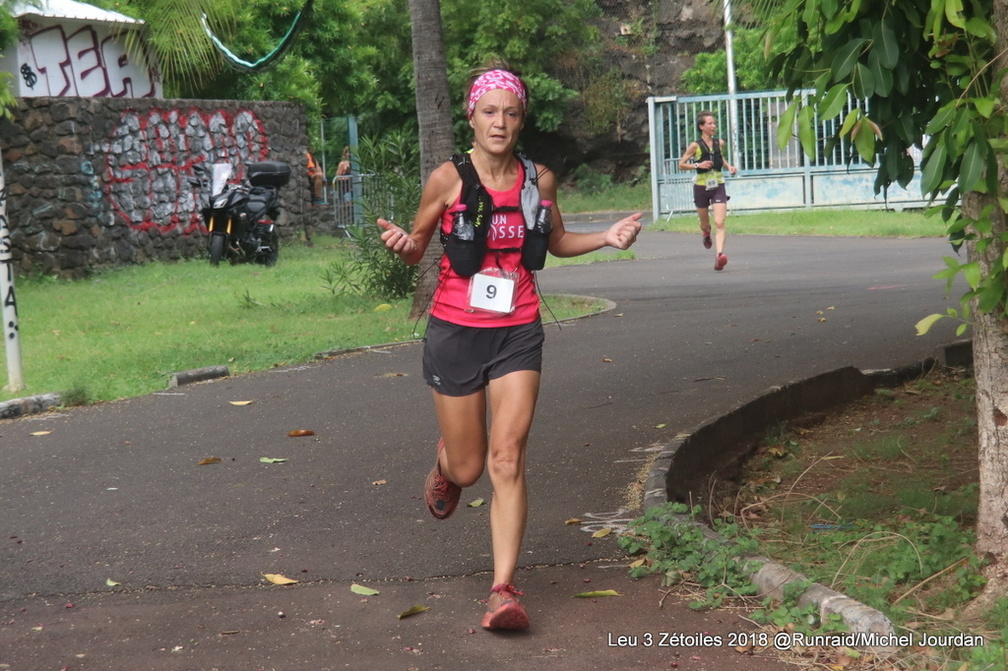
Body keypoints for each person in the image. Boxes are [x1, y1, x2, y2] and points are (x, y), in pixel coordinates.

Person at [377, 61, 642, 632]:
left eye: (511, 113)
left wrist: (606, 237)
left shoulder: (537, 179)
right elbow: (418, 245)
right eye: (490, 111)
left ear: (522, 120)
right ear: (471, 116)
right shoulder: (447, 179)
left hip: (518, 329)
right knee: (470, 465)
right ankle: (446, 464)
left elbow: (557, 239)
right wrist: (402, 244)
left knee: (507, 456)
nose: (500, 122)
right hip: (455, 332)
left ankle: (502, 591)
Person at [677, 111, 737, 271]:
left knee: (720, 222)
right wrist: (698, 165)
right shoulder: (695, 146)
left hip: (718, 185)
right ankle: (706, 234)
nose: (713, 126)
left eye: (714, 123)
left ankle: (719, 256)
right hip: (701, 187)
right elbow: (681, 164)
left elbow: (719, 157)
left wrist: (729, 166)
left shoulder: (719, 143)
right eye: (710, 123)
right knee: (706, 225)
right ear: (701, 126)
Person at [305, 151, 325, 246]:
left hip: (313, 175)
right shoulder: (307, 155)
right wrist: (319, 173)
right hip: (308, 176)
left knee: (320, 175)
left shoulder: (314, 158)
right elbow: (312, 169)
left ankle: (318, 197)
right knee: (319, 176)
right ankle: (318, 197)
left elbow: (318, 168)